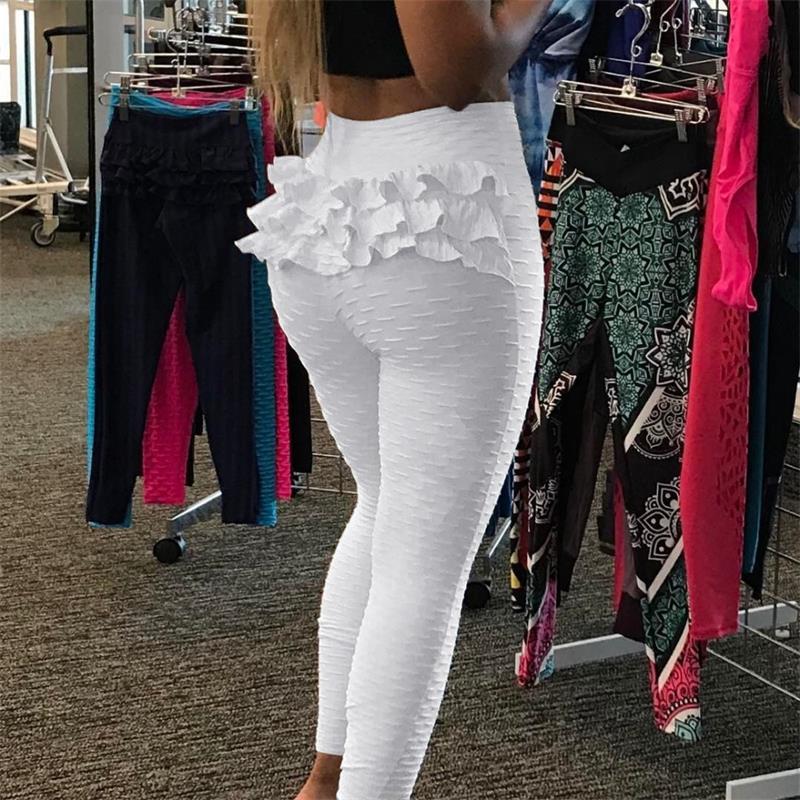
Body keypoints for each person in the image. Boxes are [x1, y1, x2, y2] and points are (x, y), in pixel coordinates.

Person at [240, 2, 549, 798]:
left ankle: (328, 780)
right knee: (421, 563)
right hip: (443, 212)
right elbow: (455, 68)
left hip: (337, 198)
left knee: (385, 513)